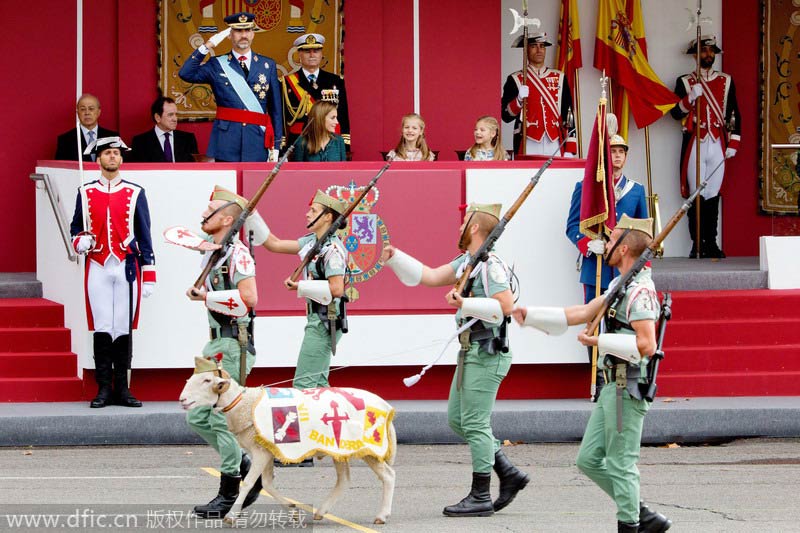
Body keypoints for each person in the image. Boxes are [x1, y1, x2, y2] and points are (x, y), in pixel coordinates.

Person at [513, 215, 672, 533]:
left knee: (621, 464)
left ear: (625, 248)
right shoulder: (619, 285)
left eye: (611, 241)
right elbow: (582, 312)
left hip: (627, 386)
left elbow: (646, 345)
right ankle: (641, 513)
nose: (606, 245)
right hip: (611, 385)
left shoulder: (640, 292)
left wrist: (598, 340)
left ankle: (630, 524)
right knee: (588, 459)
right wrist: (530, 316)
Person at [380, 203, 529, 517]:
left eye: (465, 220)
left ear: (474, 227)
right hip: (470, 351)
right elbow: (432, 276)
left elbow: (505, 307)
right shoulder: (469, 262)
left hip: (487, 352)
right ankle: (508, 473)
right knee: (458, 420)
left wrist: (465, 302)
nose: (460, 225)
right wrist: (397, 258)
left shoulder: (491, 265)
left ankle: (480, 495)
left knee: (474, 423)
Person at [184, 185, 262, 518]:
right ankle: (246, 467)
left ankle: (231, 490)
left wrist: (206, 298)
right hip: (216, 341)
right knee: (198, 413)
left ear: (227, 218)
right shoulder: (219, 250)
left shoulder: (238, 254)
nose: (204, 214)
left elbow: (249, 300)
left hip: (232, 343)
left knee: (215, 416)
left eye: (210, 210)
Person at [69, 137, 155, 409]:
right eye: (107, 153)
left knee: (124, 326)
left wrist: (149, 271)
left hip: (126, 265)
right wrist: (79, 241)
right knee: (103, 326)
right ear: (98, 159)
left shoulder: (135, 191)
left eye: (116, 153)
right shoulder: (85, 191)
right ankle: (104, 388)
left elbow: (144, 233)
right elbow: (75, 229)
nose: (112, 158)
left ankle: (124, 388)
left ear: (121, 158)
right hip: (97, 264)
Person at [565, 134, 649, 392]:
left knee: (622, 322)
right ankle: (598, 379)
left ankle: (621, 375)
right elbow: (572, 226)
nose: (617, 156)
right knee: (594, 321)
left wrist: (641, 269)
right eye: (612, 152)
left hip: (623, 269)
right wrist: (587, 245)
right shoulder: (586, 187)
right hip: (596, 268)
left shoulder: (636, 190)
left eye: (621, 152)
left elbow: (644, 233)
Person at [245, 190, 347, 389]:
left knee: (304, 386)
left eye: (313, 210)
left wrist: (301, 286)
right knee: (317, 385)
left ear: (328, 217)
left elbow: (336, 289)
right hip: (319, 319)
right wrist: (252, 216)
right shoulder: (313, 242)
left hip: (324, 321)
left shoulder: (332, 250)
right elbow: (274, 244)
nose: (307, 214)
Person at [178, 12, 283, 162]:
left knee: (256, 185)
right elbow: (185, 73)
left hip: (257, 140)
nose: (244, 35)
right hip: (227, 140)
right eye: (238, 31)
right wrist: (208, 45)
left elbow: (276, 109)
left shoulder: (267, 65)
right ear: (229, 35)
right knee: (228, 185)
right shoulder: (216, 64)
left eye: (247, 30)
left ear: (253, 34)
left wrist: (277, 145)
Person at [670, 35, 740, 259]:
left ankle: (711, 242)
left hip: (718, 142)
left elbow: (734, 113)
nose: (708, 55)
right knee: (696, 194)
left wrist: (735, 142)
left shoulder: (726, 81)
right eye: (704, 51)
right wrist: (690, 97)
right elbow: (675, 113)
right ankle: (696, 243)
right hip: (695, 143)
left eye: (711, 51)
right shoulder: (685, 81)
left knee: (713, 194)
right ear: (695, 55)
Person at [501, 32, 577, 157]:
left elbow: (568, 113)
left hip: (555, 140)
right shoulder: (515, 79)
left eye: (542, 46)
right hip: (527, 140)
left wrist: (570, 146)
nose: (539, 50)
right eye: (534, 46)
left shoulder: (559, 77)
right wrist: (518, 100)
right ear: (526, 50)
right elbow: (505, 116)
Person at [281, 33, 351, 153]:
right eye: (307, 51)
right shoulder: (286, 83)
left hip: (330, 140)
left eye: (316, 51)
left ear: (321, 54)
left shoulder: (335, 81)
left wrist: (345, 141)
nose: (312, 55)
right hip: (300, 142)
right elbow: (282, 116)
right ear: (299, 54)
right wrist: (282, 143)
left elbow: (343, 114)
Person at [129, 96, 199, 163]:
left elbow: (195, 168)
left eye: (176, 114)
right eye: (170, 115)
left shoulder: (188, 139)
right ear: (157, 117)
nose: (175, 119)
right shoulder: (140, 142)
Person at [55, 94, 119, 162]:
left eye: (91, 109)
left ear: (98, 112)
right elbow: (60, 168)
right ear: (77, 112)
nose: (87, 113)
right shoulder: (65, 140)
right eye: (83, 109)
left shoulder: (113, 137)